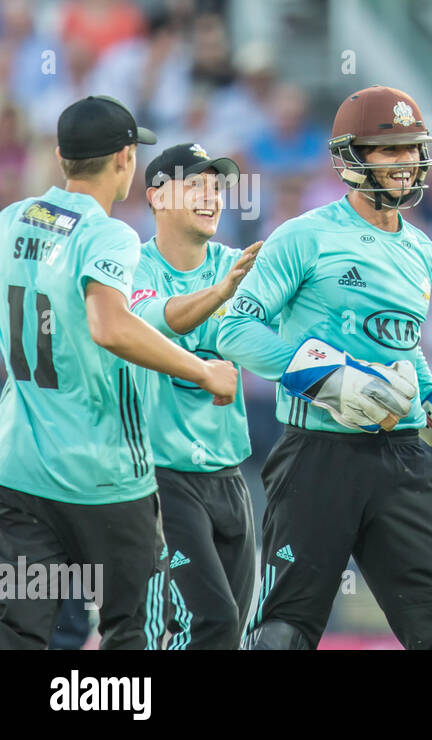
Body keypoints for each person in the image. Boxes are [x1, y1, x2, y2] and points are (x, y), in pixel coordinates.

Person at [216, 85, 432, 650]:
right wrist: (325, 378)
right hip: (317, 456)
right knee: (282, 634)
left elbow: (407, 354)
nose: (407, 163)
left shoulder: (422, 250)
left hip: (401, 461)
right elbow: (237, 330)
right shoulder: (303, 236)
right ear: (350, 157)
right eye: (391, 150)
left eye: (413, 149)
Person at [0, 95, 237, 649]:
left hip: (19, 468)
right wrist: (202, 373)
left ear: (62, 155)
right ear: (126, 159)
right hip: (104, 476)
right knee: (134, 630)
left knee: (19, 631)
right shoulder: (108, 234)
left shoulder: (11, 221)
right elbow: (110, 325)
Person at [128, 142, 262, 649]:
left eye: (217, 186)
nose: (211, 196)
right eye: (195, 185)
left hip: (230, 475)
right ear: (158, 198)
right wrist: (221, 294)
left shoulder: (236, 266)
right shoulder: (133, 269)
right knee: (207, 624)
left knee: (230, 633)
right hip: (163, 479)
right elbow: (157, 321)